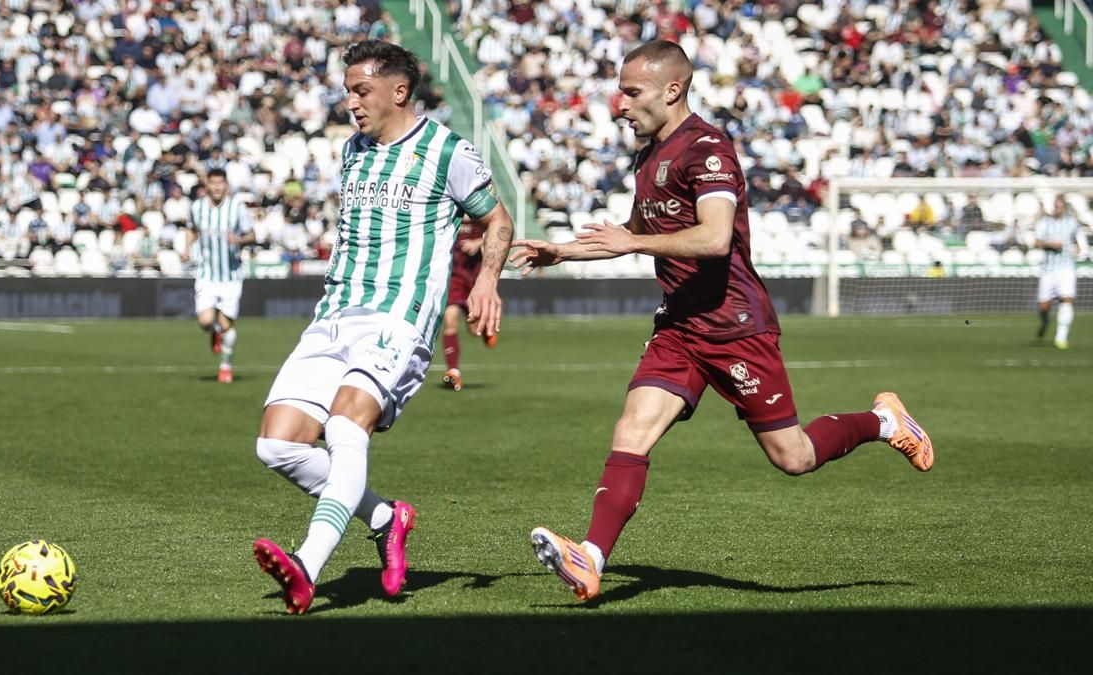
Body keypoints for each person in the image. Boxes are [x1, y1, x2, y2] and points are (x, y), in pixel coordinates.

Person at [509, 41, 935, 602]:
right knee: (632, 429)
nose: (619, 104)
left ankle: (884, 422)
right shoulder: (648, 155)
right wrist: (562, 252)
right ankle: (590, 558)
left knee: (794, 457)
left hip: (735, 325)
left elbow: (713, 238)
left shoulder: (709, 149)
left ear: (672, 90)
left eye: (631, 92)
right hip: (680, 325)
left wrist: (632, 241)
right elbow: (630, 235)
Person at [252, 40, 515, 615]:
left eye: (361, 90)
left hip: (400, 317)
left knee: (347, 426)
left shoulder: (448, 152)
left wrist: (488, 281)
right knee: (276, 444)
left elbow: (497, 219)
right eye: (347, 90)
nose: (350, 101)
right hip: (335, 314)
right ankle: (384, 516)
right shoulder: (353, 151)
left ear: (399, 90)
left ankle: (307, 565)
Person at [184, 168, 255, 383]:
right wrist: (187, 248)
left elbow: (252, 234)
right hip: (206, 273)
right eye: (212, 182)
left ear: (226, 185)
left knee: (227, 326)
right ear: (206, 184)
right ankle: (214, 331)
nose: (216, 187)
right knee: (205, 321)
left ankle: (225, 367)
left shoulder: (237, 208)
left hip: (231, 275)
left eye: (220, 183)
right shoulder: (196, 208)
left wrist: (240, 241)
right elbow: (191, 229)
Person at [440, 216, 498, 391]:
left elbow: (501, 233)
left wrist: (478, 243)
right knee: (450, 321)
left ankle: (485, 328)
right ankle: (453, 372)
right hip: (455, 276)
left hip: (476, 278)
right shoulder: (450, 207)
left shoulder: (481, 208)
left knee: (474, 329)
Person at [1033, 195, 1087, 349]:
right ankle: (1045, 320)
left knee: (1067, 299)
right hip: (1048, 269)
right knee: (1044, 306)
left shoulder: (1072, 223)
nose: (1057, 209)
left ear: (1065, 207)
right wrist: (1048, 244)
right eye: (1056, 206)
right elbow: (1036, 242)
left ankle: (1061, 337)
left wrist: (1078, 248)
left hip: (1066, 268)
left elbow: (1078, 240)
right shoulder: (1045, 223)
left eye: (1060, 206)